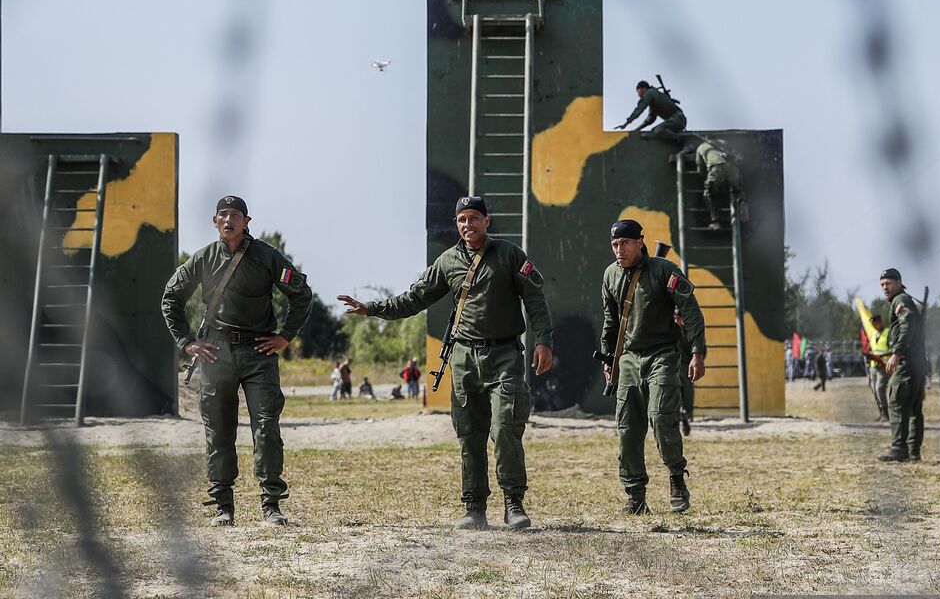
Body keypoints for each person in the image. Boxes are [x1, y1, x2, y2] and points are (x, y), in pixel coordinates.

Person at [338, 196, 553, 531]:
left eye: (474, 219)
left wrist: (543, 340)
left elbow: (535, 299)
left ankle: (514, 504)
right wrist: (373, 308)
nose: (468, 225)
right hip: (464, 358)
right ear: (457, 224)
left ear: (487, 220)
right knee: (469, 434)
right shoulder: (448, 261)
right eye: (462, 220)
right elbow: (414, 298)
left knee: (506, 428)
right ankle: (474, 508)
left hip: (505, 356)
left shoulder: (510, 255)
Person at [161, 194, 311, 527]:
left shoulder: (266, 257)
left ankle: (271, 503)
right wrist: (186, 342)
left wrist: (286, 335)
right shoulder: (202, 259)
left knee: (266, 426)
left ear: (247, 222)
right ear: (215, 222)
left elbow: (301, 294)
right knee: (218, 430)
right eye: (223, 215)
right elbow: (171, 298)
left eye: (236, 215)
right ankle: (222, 506)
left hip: (259, 352)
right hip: (215, 354)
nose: (229, 220)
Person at [600, 219, 706, 515]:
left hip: (662, 354)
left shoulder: (664, 271)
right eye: (614, 245)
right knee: (628, 428)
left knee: (661, 418)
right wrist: (609, 359)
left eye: (624, 244)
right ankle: (635, 496)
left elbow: (691, 311)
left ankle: (676, 480)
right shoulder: (610, 275)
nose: (619, 250)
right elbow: (609, 322)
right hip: (629, 359)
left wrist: (698, 351)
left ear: (639, 242)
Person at [877, 269, 925, 462]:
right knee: (913, 407)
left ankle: (899, 449)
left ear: (898, 282)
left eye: (888, 284)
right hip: (917, 362)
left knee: (897, 402)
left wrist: (896, 354)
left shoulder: (901, 301)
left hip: (907, 363)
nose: (885, 288)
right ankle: (913, 452)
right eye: (882, 285)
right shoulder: (904, 300)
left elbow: (906, 327)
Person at [693, 138, 744, 230]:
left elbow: (700, 170)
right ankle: (742, 203)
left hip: (717, 169)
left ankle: (715, 222)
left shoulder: (701, 147)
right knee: (736, 190)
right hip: (733, 168)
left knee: (709, 195)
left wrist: (709, 178)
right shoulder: (723, 143)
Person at [614, 80, 687, 143]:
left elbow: (639, 109)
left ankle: (684, 142)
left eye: (638, 91)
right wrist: (638, 129)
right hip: (677, 121)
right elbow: (651, 119)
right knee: (655, 131)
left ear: (643, 89)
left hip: (677, 119)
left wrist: (626, 123)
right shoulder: (654, 99)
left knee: (658, 130)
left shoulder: (650, 93)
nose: (638, 95)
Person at [674, 310, 696, 436]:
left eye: (679, 318)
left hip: (686, 365)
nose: (677, 321)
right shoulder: (669, 330)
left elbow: (698, 348)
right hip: (672, 365)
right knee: (675, 393)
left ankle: (687, 414)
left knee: (687, 393)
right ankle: (680, 415)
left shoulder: (689, 331)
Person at [866, 314, 891, 422]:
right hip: (873, 366)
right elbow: (873, 348)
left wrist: (882, 355)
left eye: (875, 323)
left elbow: (894, 349)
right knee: (875, 391)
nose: (874, 326)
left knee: (879, 389)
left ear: (880, 322)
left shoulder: (888, 333)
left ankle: (886, 414)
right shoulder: (874, 334)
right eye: (872, 324)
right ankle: (881, 413)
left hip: (883, 366)